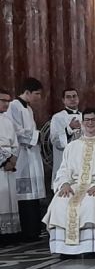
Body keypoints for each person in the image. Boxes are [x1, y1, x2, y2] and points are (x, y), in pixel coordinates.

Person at [42, 109, 95, 256]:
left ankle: (90, 248)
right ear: (82, 123)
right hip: (74, 185)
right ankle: (64, 249)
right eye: (86, 120)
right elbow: (63, 169)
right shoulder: (72, 146)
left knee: (91, 203)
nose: (90, 123)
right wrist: (64, 184)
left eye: (93, 120)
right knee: (60, 202)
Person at [8, 77, 46, 241]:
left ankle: (35, 229)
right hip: (21, 155)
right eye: (37, 93)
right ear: (27, 92)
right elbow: (15, 130)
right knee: (24, 195)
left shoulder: (28, 109)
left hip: (31, 154)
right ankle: (28, 231)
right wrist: (37, 136)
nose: (39, 97)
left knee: (33, 195)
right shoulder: (13, 106)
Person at [50, 88, 82, 183]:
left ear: (78, 98)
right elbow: (55, 141)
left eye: (74, 96)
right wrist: (69, 129)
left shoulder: (85, 116)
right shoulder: (57, 117)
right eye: (68, 97)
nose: (72, 99)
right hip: (65, 158)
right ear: (63, 100)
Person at [0, 89, 20, 240]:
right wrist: (4, 160)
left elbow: (15, 143)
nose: (6, 104)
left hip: (9, 164)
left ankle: (10, 233)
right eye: (3, 100)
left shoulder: (7, 121)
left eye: (8, 101)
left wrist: (13, 158)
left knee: (10, 198)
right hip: (2, 164)